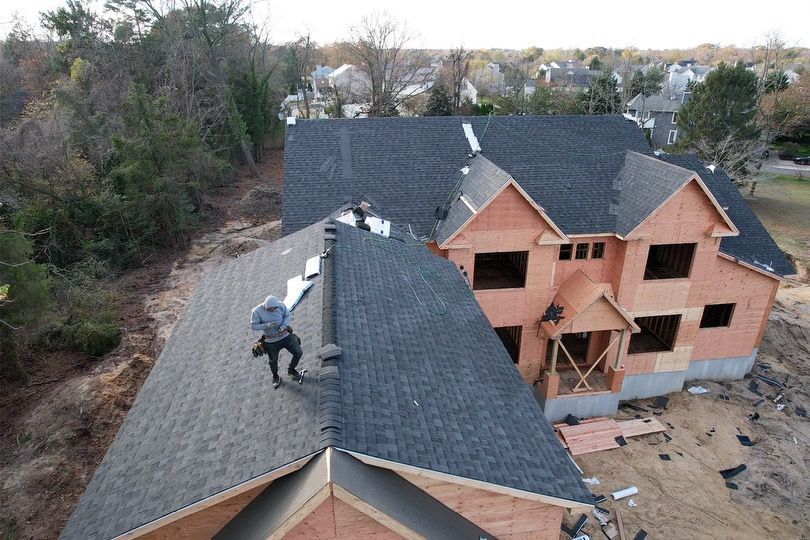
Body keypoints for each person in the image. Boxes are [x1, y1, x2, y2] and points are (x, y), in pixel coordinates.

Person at [250, 295, 302, 387]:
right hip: (271, 341)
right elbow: (253, 326)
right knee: (273, 361)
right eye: (272, 308)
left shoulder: (280, 305)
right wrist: (267, 325)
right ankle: (275, 376)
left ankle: (291, 369)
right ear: (267, 307)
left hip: (285, 336)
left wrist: (283, 325)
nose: (275, 309)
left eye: (276, 308)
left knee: (298, 352)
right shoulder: (257, 311)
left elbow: (287, 315)